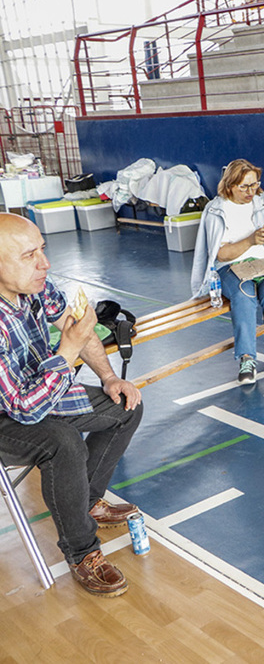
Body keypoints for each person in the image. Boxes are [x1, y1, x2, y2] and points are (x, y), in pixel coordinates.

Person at [0, 212, 143, 597]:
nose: (44, 263)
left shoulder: (34, 285)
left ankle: (87, 499)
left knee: (126, 404)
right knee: (63, 441)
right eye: (29, 255)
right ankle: (82, 551)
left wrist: (110, 378)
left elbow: (74, 324)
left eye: (42, 250)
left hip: (39, 389)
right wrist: (69, 347)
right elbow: (25, 410)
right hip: (6, 414)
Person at [191, 159, 264, 384]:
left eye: (255, 185)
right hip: (230, 267)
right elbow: (220, 255)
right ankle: (246, 359)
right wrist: (251, 240)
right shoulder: (215, 210)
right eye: (244, 186)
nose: (251, 191)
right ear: (230, 185)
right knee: (244, 295)